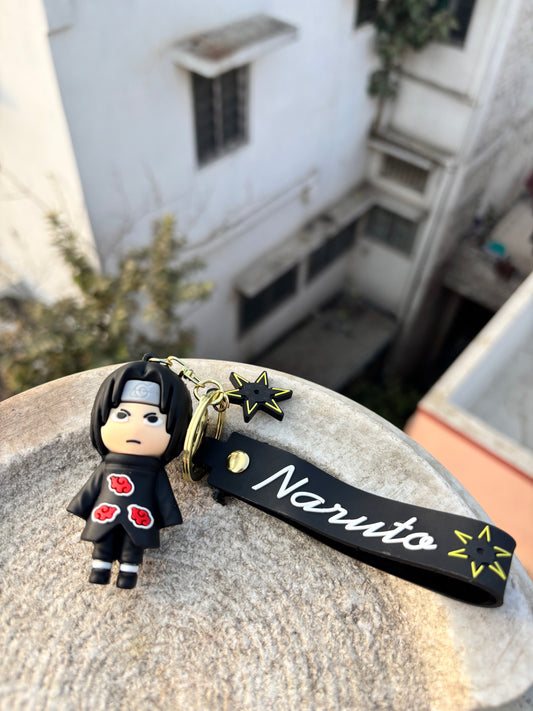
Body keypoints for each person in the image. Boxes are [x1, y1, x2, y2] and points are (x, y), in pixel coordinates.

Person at [67, 357, 192, 588]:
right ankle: (100, 568)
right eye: (122, 415)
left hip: (140, 517)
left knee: (132, 547)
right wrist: (80, 505)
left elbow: (163, 496)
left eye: (152, 419)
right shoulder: (107, 466)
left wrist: (168, 516)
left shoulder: (155, 472)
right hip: (106, 513)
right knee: (102, 542)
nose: (136, 428)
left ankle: (128, 574)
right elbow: (91, 489)